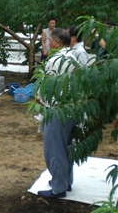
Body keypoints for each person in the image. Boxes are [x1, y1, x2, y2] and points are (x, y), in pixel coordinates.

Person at [37, 29, 78, 199]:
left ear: (57, 43)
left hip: (57, 109)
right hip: (72, 108)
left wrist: (40, 100)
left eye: (50, 41)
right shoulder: (74, 57)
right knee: (66, 147)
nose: (49, 44)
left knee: (54, 149)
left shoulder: (55, 60)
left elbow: (48, 85)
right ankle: (65, 181)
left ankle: (58, 187)